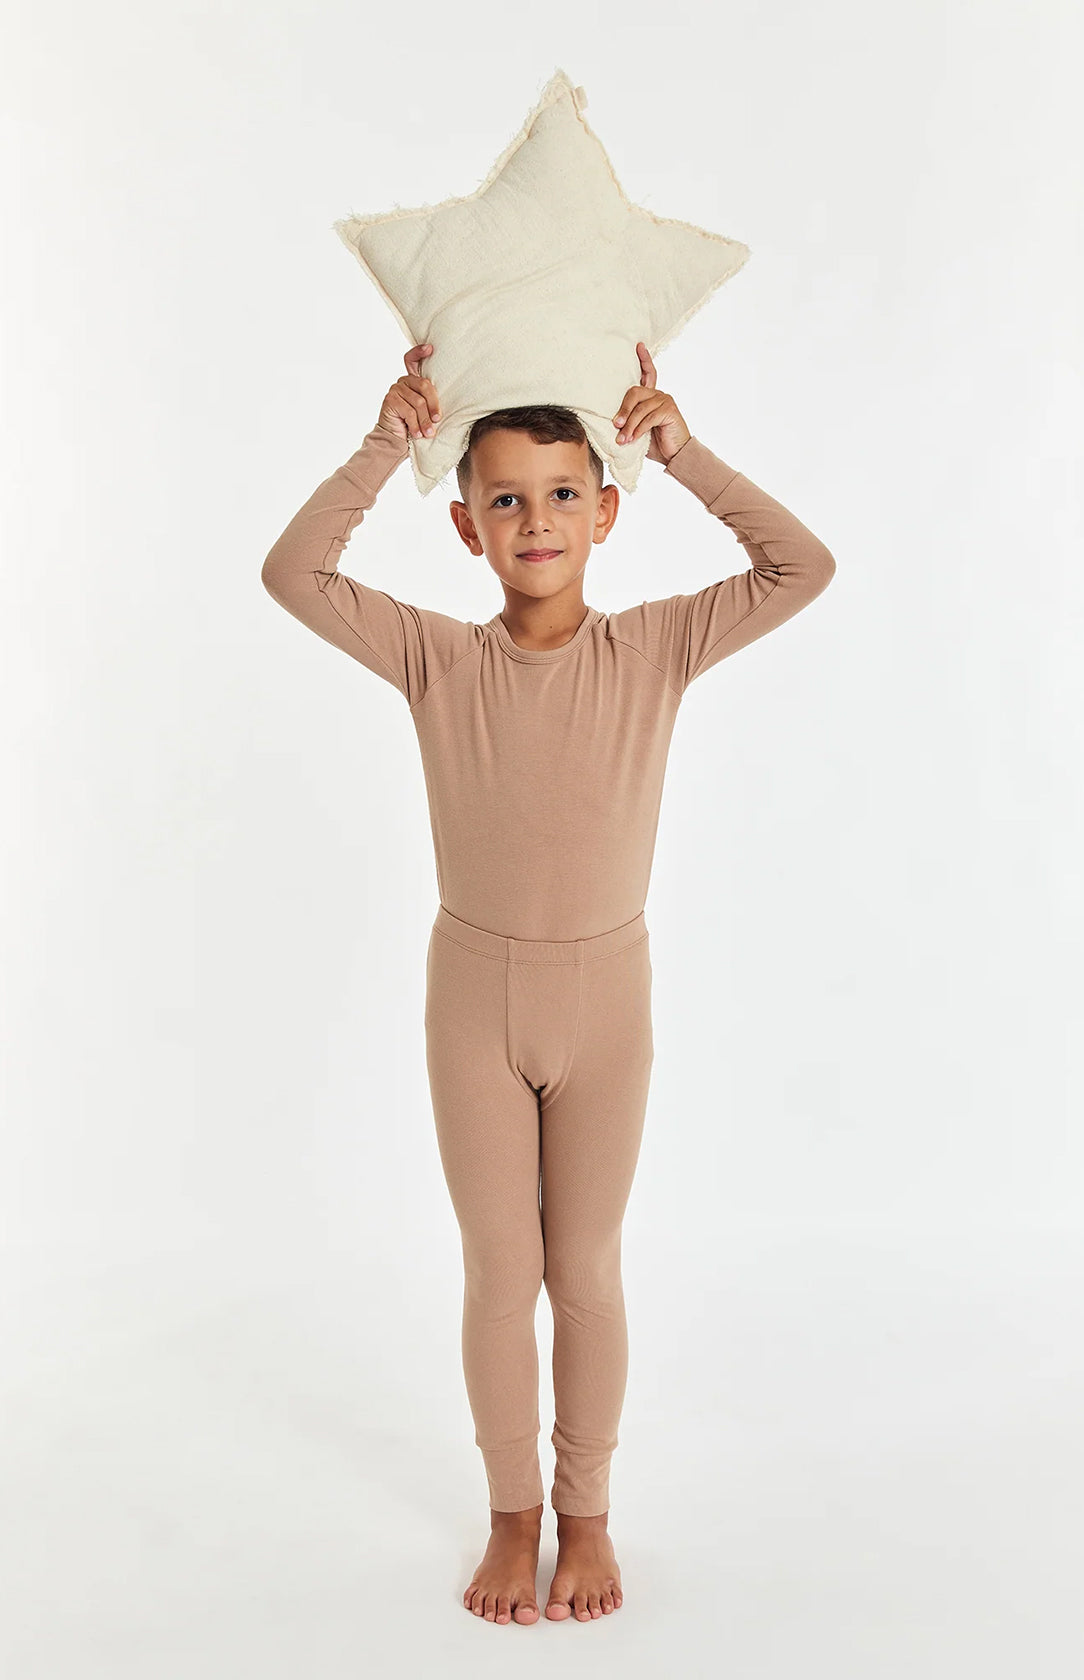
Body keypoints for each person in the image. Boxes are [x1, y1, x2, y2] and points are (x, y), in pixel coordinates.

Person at [261, 340, 836, 1625]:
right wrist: (383, 441)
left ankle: (587, 1518)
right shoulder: (435, 660)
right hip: (471, 994)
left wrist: (684, 452)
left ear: (606, 509)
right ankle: (509, 1515)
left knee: (583, 1268)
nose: (536, 520)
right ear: (464, 528)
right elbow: (291, 572)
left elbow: (801, 565)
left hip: (604, 999)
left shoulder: (654, 650)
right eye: (506, 499)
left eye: (563, 492)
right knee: (495, 1269)